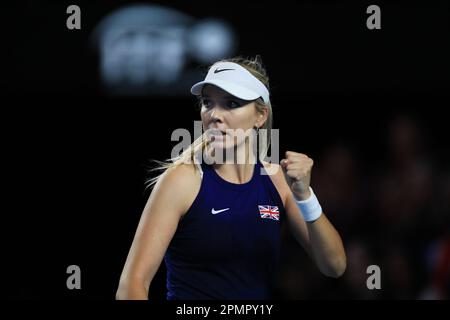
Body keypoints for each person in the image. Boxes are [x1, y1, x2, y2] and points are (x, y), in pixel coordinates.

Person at [116, 56, 346, 300]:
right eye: (207, 103)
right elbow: (132, 284)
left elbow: (335, 266)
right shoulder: (183, 180)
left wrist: (304, 195)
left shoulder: (278, 180)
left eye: (231, 103)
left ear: (260, 116)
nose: (214, 114)